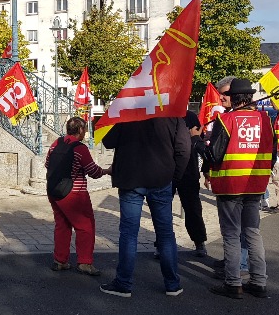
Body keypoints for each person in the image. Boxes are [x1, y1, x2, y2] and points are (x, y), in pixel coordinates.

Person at [100, 117, 190, 298]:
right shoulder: (172, 115)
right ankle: (172, 284)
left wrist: (117, 116)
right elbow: (184, 149)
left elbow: (107, 141)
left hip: (131, 180)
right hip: (161, 179)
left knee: (129, 234)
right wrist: (175, 177)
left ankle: (123, 283)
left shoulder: (128, 114)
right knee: (165, 234)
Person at [207, 78, 275, 299]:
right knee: (253, 233)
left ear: (233, 97)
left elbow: (214, 155)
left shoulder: (226, 120)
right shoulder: (266, 120)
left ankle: (233, 283)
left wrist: (199, 143)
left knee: (231, 234)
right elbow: (272, 155)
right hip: (256, 185)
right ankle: (259, 282)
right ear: (250, 97)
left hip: (230, 186)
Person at [44, 117, 109, 275]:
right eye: (85, 129)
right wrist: (107, 171)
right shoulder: (80, 148)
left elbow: (47, 164)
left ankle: (60, 260)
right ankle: (85, 262)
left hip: (54, 190)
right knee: (85, 226)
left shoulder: (56, 143)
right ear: (80, 130)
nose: (85, 132)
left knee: (62, 225)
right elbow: (93, 171)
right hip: (74, 193)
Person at [173, 111, 209, 258]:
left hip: (189, 170)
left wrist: (206, 169)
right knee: (162, 209)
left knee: (193, 208)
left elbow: (199, 141)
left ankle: (199, 242)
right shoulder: (163, 115)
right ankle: (162, 243)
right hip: (167, 168)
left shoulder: (191, 116)